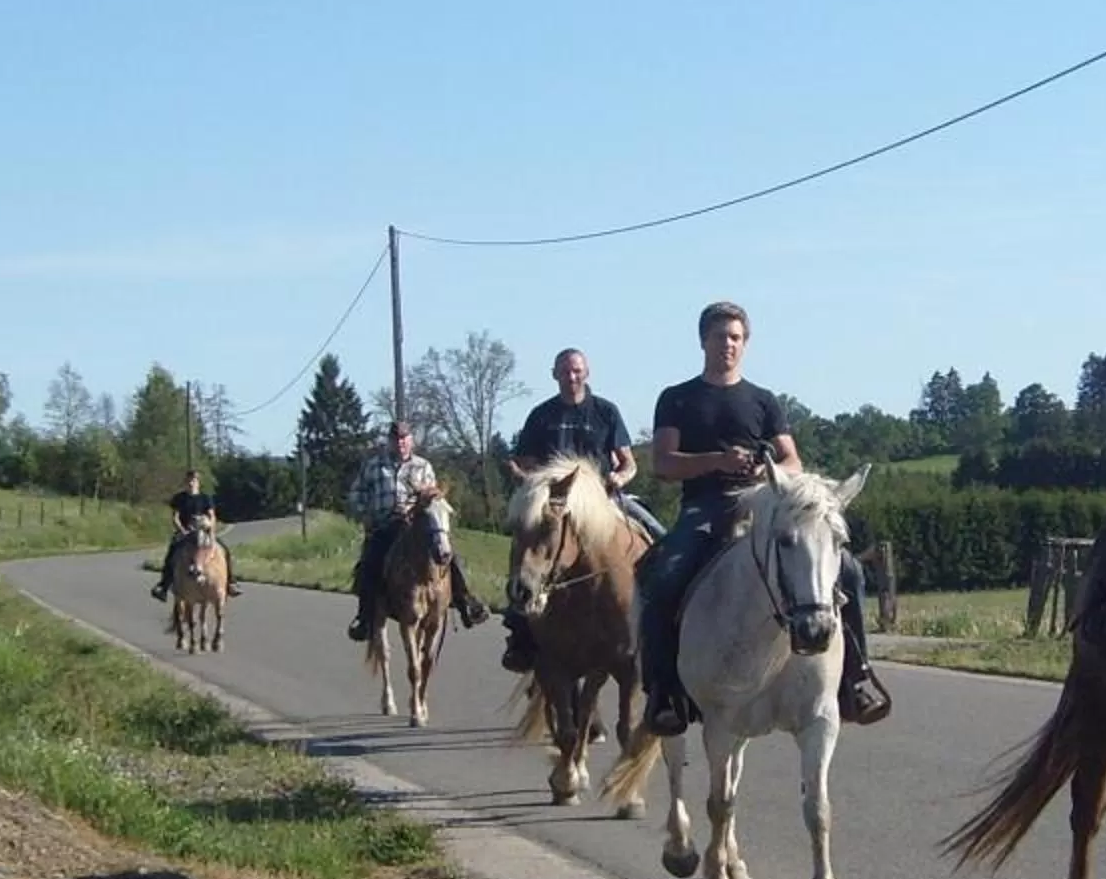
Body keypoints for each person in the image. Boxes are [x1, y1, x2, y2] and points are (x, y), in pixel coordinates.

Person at [636, 300, 891, 738]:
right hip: (705, 507)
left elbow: (792, 459)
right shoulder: (678, 398)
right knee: (664, 574)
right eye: (720, 337)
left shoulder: (763, 400)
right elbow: (663, 463)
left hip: (766, 504)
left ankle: (856, 678)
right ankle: (664, 690)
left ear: (745, 344)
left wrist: (765, 468)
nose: (728, 345)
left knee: (847, 570)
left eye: (736, 338)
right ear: (703, 342)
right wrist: (718, 459)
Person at [500, 348, 662, 673]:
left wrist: (620, 476)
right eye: (564, 372)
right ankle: (520, 630)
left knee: (659, 537)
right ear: (554, 375)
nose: (571, 377)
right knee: (524, 547)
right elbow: (525, 463)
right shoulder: (541, 416)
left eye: (576, 371)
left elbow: (628, 462)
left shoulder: (605, 412)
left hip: (601, 502)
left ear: (586, 373)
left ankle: (655, 621)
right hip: (554, 506)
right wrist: (525, 478)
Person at [347, 420, 488, 640]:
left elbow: (433, 497)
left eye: (404, 439)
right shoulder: (374, 466)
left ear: (411, 440)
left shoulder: (423, 467)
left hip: (416, 524)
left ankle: (466, 602)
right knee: (370, 563)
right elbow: (356, 494)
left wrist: (424, 501)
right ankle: (365, 617)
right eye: (396, 439)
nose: (400, 443)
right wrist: (365, 513)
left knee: (448, 555)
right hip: (384, 525)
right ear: (390, 441)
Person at [150, 467, 238, 601]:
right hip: (186, 533)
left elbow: (212, 516)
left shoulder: (205, 498)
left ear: (198, 482)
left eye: (194, 480)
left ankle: (231, 582)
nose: (191, 483)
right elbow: (175, 517)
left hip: (203, 532)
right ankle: (164, 586)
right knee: (172, 553)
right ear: (185, 482)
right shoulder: (179, 498)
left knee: (225, 550)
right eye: (189, 480)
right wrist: (182, 531)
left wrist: (211, 531)